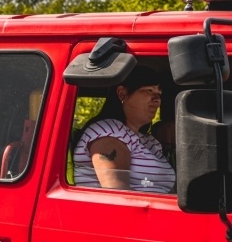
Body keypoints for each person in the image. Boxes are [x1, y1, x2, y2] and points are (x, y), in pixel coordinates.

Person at [72, 65, 175, 193]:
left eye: (159, 93)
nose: (157, 100)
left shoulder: (149, 141)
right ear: (122, 94)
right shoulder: (108, 131)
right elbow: (118, 194)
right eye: (149, 90)